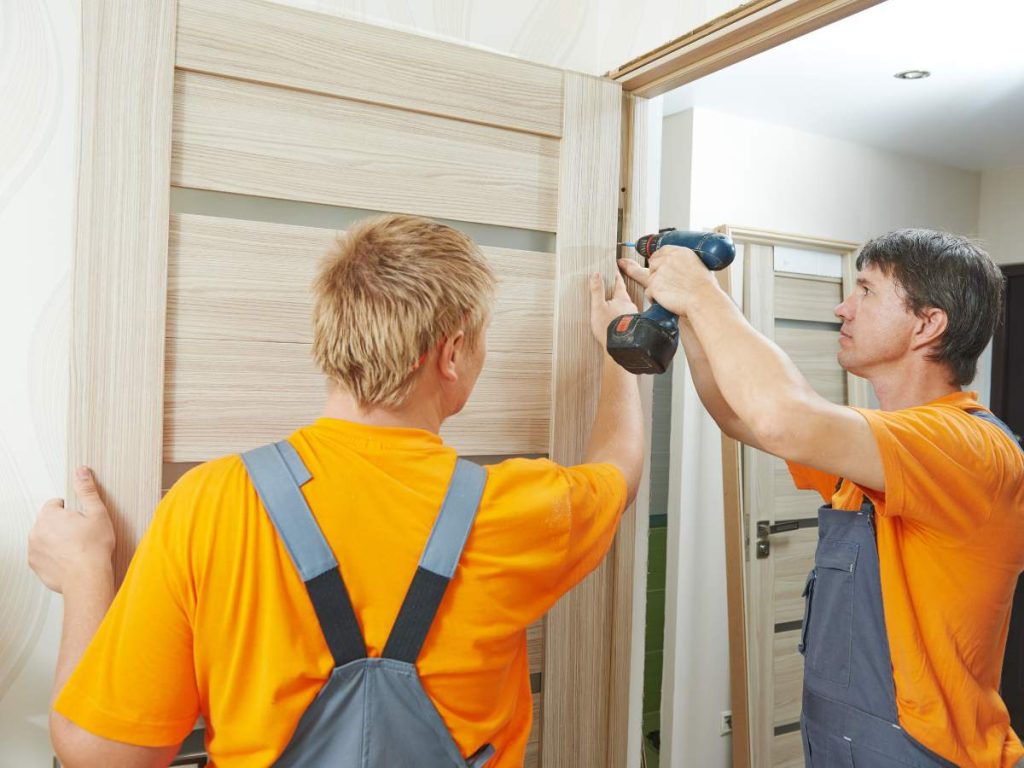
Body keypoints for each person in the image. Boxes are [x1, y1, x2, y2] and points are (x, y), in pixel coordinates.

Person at [28, 214, 644, 767]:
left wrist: (85, 572)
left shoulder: (208, 502)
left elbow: (103, 756)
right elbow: (620, 466)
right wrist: (621, 342)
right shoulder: (521, 508)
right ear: (452, 353)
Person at [620, 228, 1024, 767]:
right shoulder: (879, 445)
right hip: (843, 743)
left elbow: (785, 419)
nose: (843, 308)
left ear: (928, 324)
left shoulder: (969, 448)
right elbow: (740, 416)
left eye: (866, 291)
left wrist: (703, 295)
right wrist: (688, 314)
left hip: (928, 754)